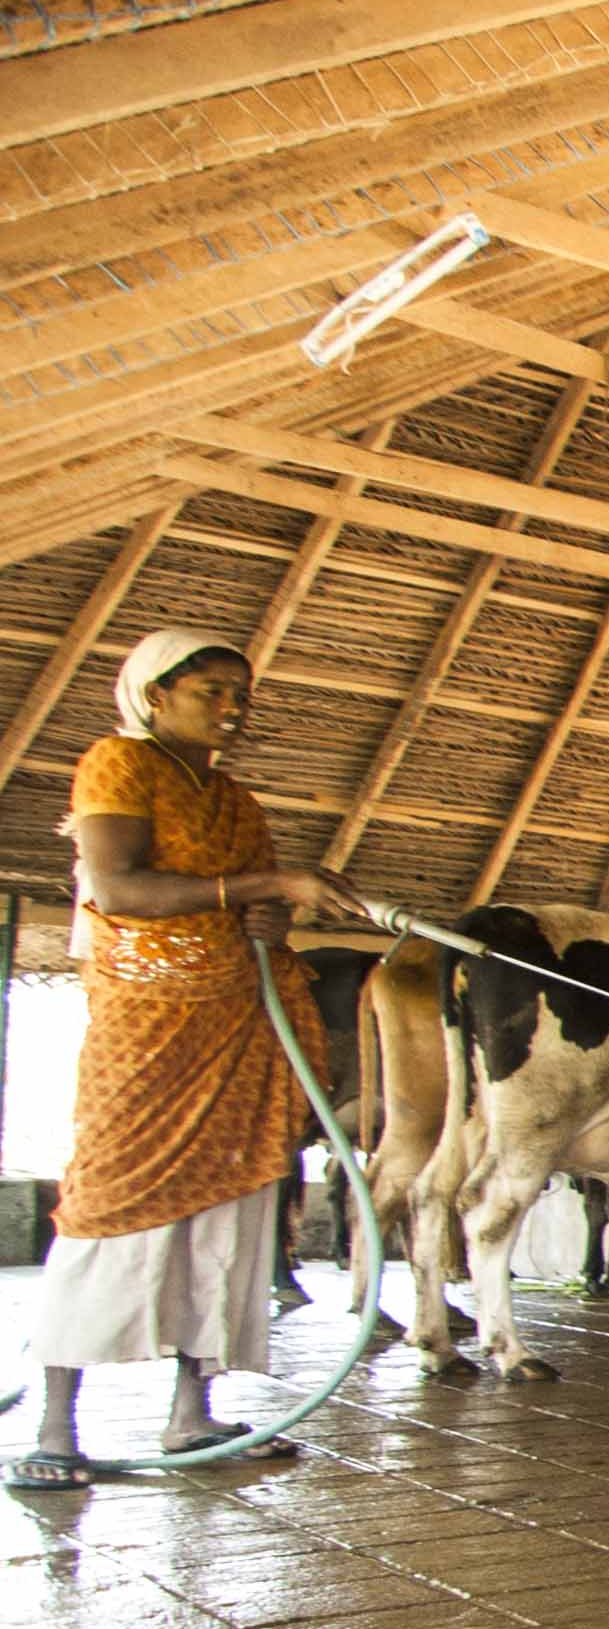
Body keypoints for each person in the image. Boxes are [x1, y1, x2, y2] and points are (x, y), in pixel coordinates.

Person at [13, 631, 368, 1491]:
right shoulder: (117, 765)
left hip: (234, 1023)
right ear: (153, 695)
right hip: (146, 1027)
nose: (230, 706)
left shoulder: (237, 801)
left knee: (231, 1217)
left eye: (237, 692)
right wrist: (267, 889)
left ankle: (191, 1413)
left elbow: (254, 915)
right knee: (109, 1207)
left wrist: (270, 918)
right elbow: (119, 889)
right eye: (209, 689)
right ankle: (55, 1427)